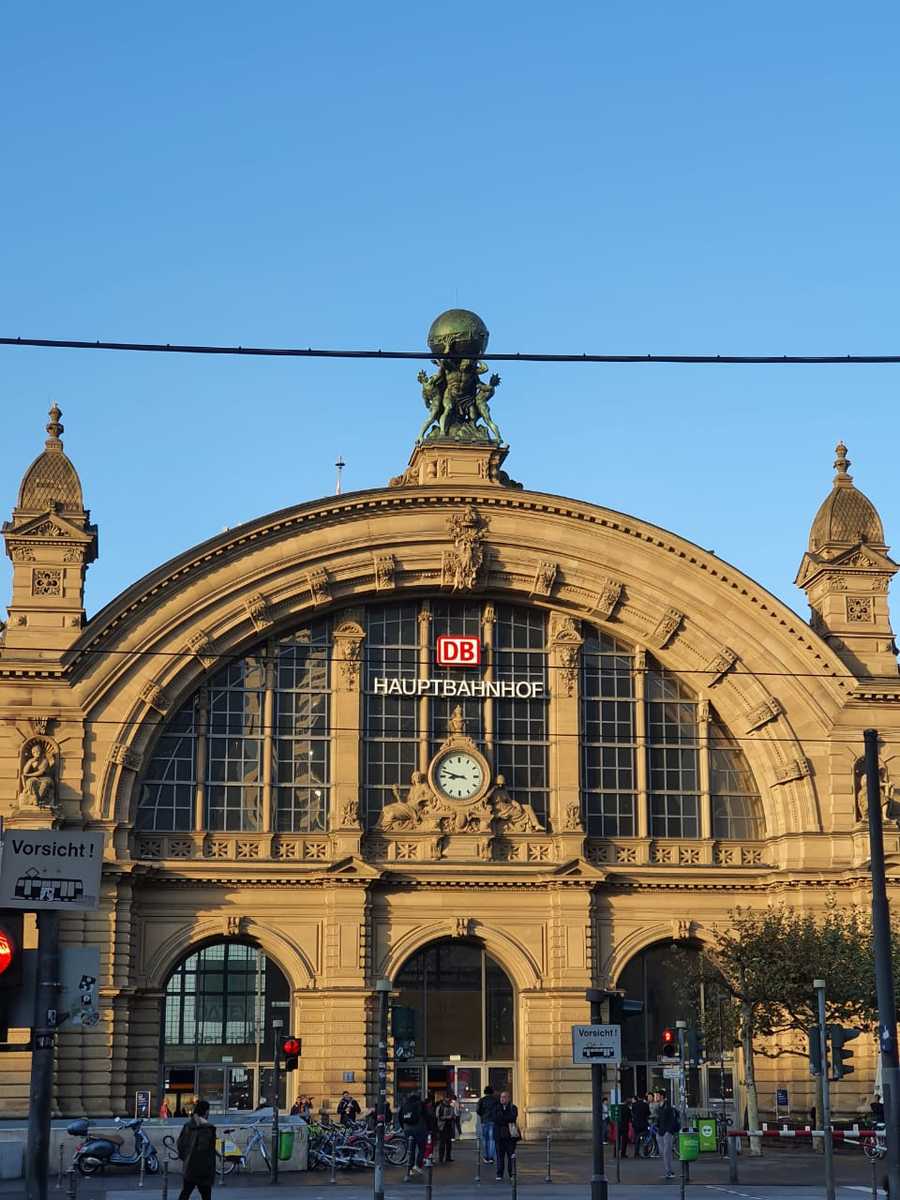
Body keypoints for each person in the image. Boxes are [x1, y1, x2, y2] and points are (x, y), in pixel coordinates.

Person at [176, 1098, 217, 1200]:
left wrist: (186, 1159)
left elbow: (180, 1144)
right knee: (206, 1196)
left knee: (185, 1193)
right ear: (206, 1111)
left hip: (190, 1167)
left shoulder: (188, 1126)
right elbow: (206, 1150)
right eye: (208, 1111)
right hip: (203, 1170)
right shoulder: (208, 1129)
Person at [400, 1091, 427, 1174]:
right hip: (419, 1129)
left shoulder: (405, 1104)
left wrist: (403, 1127)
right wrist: (429, 1128)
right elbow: (427, 1116)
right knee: (422, 1148)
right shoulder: (421, 1104)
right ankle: (418, 1166)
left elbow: (400, 1117)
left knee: (411, 1149)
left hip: (407, 1129)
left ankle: (410, 1168)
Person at [495, 1090, 519, 1182]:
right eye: (501, 1097)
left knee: (511, 1156)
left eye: (504, 1097)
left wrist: (503, 1118)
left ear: (509, 1098)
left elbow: (512, 1118)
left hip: (510, 1137)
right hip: (499, 1136)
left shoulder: (513, 1108)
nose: (502, 1099)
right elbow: (495, 1119)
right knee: (499, 1156)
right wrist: (505, 1119)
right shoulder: (497, 1108)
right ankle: (499, 1174)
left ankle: (511, 1174)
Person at [656, 1093, 680, 1179]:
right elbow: (659, 1119)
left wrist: (669, 1131)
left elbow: (672, 1120)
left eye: (657, 1095)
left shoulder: (668, 1107)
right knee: (663, 1153)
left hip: (667, 1132)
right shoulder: (659, 1107)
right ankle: (669, 1170)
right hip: (660, 1132)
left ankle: (669, 1171)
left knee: (666, 1153)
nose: (656, 1097)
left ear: (662, 1096)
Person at [476, 1085, 499, 1165]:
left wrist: (483, 1115)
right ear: (492, 1092)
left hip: (484, 1121)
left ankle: (486, 1157)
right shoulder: (496, 1100)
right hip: (493, 1121)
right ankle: (491, 1157)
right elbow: (498, 1111)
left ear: (485, 1092)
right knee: (492, 1140)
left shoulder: (482, 1100)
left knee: (485, 1139)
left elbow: (478, 1110)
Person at [436, 1091, 457, 1163]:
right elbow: (439, 1117)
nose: (449, 1101)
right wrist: (449, 1117)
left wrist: (453, 1117)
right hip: (442, 1127)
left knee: (448, 1143)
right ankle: (441, 1158)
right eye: (448, 1100)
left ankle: (448, 1157)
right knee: (442, 1143)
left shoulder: (450, 1107)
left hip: (448, 1126)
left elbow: (453, 1115)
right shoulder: (440, 1107)